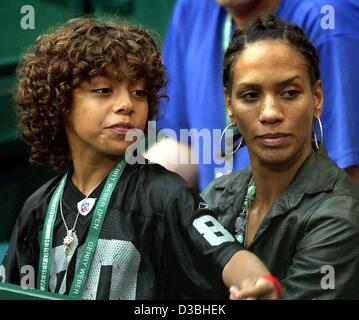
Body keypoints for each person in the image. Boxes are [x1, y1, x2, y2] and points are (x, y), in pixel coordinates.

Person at [0, 17, 280, 300]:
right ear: (61, 103)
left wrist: (257, 281)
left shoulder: (165, 194)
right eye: (104, 90)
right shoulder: (38, 208)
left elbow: (229, 256)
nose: (126, 105)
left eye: (139, 93)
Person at [201, 14, 359, 299]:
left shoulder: (340, 217)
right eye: (250, 96)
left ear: (318, 98)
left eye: (289, 93)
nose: (270, 113)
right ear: (230, 106)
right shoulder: (217, 196)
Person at [146, 0, 359, 191]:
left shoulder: (329, 17)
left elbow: (349, 175)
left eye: (289, 93)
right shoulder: (193, 8)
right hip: (228, 218)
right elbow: (187, 147)